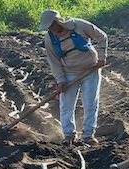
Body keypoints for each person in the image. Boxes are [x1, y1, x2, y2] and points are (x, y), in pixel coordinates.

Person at [39, 9, 107, 145]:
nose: (51, 29)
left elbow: (102, 36)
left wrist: (101, 57)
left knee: (90, 103)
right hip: (69, 72)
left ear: (58, 22)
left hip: (90, 69)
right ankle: (69, 135)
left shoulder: (79, 25)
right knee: (66, 105)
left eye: (52, 26)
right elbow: (54, 62)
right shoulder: (49, 39)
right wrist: (61, 80)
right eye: (49, 28)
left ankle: (88, 135)